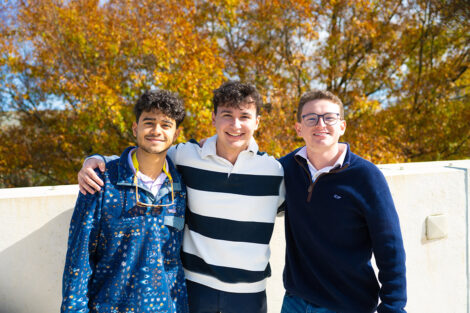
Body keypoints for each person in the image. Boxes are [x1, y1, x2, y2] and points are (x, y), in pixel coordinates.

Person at [77, 81, 286, 313]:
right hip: (194, 288)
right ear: (213, 118)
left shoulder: (274, 171)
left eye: (244, 116)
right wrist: (96, 161)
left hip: (249, 295)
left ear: (257, 122)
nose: (235, 124)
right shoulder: (185, 156)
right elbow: (149, 152)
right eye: (227, 115)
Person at [278, 90, 407, 313]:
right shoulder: (286, 168)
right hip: (295, 302)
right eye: (311, 118)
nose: (321, 124)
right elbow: (249, 177)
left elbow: (390, 246)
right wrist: (211, 144)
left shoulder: (366, 176)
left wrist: (393, 307)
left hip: (347, 304)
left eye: (329, 117)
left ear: (342, 126)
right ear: (299, 128)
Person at [61, 90, 189, 313]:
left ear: (176, 134)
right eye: (149, 122)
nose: (156, 131)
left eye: (166, 125)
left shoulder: (180, 187)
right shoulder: (101, 182)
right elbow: (79, 258)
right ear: (134, 128)